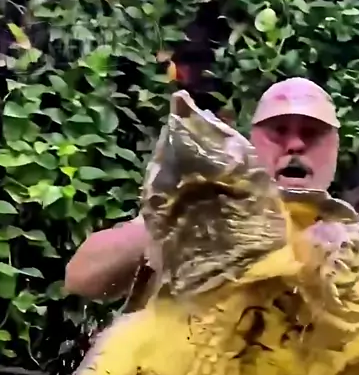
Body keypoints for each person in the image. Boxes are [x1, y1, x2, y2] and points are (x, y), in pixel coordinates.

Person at [64, 77, 341, 301]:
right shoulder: (204, 211)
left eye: (311, 133)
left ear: (335, 149)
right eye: (279, 131)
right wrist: (168, 229)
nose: (295, 145)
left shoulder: (351, 239)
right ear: (253, 142)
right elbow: (81, 279)